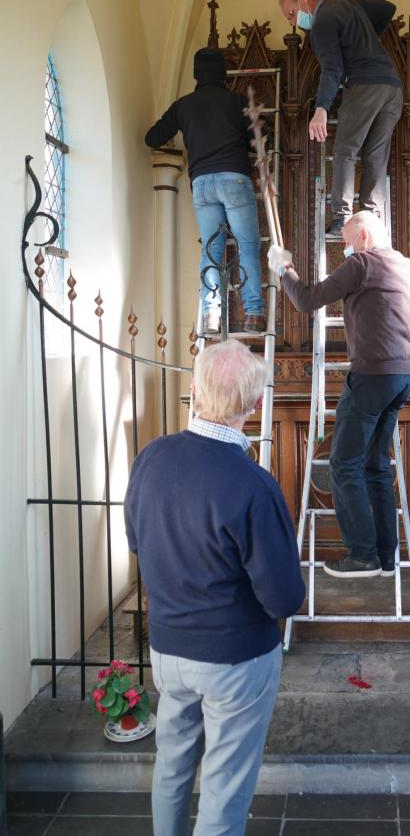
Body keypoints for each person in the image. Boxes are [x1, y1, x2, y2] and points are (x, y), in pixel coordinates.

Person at [124, 340, 305, 836]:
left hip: (167, 649)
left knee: (173, 766)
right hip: (234, 659)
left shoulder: (151, 458)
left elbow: (137, 540)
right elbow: (285, 598)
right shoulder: (254, 484)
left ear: (193, 390)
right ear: (254, 404)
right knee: (224, 787)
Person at [268, 211, 410, 579]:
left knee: (343, 463)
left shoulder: (361, 262)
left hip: (372, 374)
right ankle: (387, 558)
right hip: (403, 376)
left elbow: (308, 300)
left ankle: (362, 555)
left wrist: (284, 270)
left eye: (345, 241)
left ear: (363, 237)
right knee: (375, 465)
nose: (343, 248)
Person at [145, 48, 265, 335]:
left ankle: (211, 315)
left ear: (196, 75)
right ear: (224, 74)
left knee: (211, 249)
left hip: (201, 183)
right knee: (247, 246)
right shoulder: (235, 102)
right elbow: (261, 139)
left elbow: (152, 137)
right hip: (234, 179)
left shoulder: (184, 105)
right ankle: (254, 313)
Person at [279, 0, 403, 235]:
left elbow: (332, 68)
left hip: (365, 86)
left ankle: (342, 217)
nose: (293, 22)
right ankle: (373, 217)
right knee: (375, 156)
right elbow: (387, 8)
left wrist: (321, 108)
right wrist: (368, 38)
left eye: (291, 14)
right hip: (392, 88)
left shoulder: (322, 21)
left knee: (346, 150)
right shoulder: (348, 7)